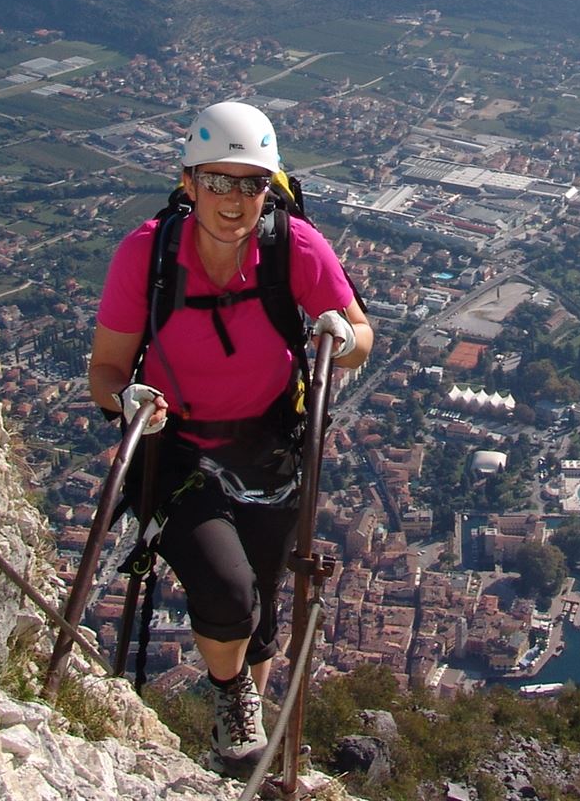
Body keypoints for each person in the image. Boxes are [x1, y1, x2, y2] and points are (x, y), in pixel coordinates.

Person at [88, 99, 373, 768]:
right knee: (228, 590)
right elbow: (105, 368)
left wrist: (340, 338)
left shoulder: (293, 247)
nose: (234, 199)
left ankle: (244, 749)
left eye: (249, 184)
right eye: (217, 181)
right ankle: (231, 694)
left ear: (266, 191)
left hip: (269, 450)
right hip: (175, 451)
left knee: (264, 615)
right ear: (188, 184)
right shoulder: (147, 255)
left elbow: (360, 333)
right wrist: (123, 398)